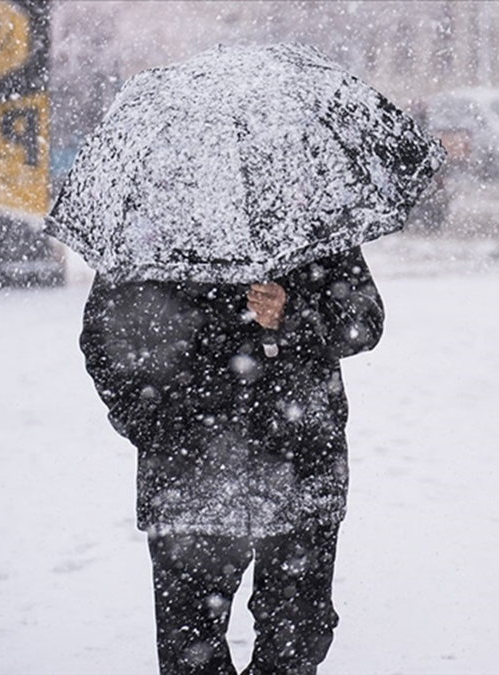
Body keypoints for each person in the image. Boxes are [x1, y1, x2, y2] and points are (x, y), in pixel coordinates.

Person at [79, 247, 384, 674]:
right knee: (190, 650)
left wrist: (291, 312)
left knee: (295, 643)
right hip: (189, 477)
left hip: (299, 466)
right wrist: (155, 426)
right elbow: (104, 339)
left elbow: (364, 321)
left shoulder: (306, 214)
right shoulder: (153, 224)